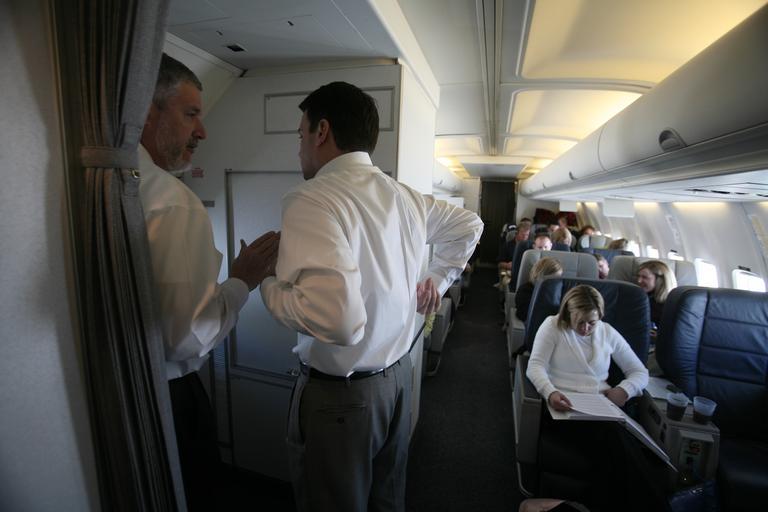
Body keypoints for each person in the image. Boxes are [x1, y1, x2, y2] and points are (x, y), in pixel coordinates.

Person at [260, 81, 483, 512]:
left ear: (322, 131)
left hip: (341, 401)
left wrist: (268, 284)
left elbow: (340, 323)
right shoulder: (405, 197)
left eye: (301, 134)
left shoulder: (311, 198)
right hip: (397, 383)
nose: (299, 147)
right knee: (386, 501)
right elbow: (470, 225)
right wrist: (437, 279)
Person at [139, 54, 280, 510]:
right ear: (146, 111)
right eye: (190, 114)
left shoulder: (106, 182)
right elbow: (188, 336)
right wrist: (241, 281)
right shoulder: (171, 201)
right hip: (169, 394)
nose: (202, 132)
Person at [526, 286, 668, 511]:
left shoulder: (607, 332)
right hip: (563, 409)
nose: (585, 329)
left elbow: (639, 372)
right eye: (580, 322)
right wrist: (550, 392)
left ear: (600, 316)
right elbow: (535, 366)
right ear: (568, 313)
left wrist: (624, 390)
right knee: (618, 444)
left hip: (601, 407)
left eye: (591, 322)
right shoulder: (553, 326)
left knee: (620, 449)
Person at [636, 260, 677, 329]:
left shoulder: (671, 306)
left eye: (644, 277)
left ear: (660, 280)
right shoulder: (640, 298)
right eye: (638, 276)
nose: (639, 280)